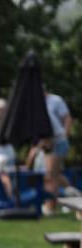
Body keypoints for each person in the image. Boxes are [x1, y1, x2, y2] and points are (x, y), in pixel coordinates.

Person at [43, 85, 78, 214]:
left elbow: (67, 118)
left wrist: (65, 136)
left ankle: (51, 207)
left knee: (51, 175)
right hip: (50, 142)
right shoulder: (38, 105)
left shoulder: (55, 100)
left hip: (58, 140)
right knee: (52, 174)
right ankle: (73, 194)